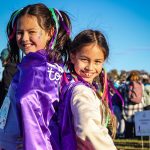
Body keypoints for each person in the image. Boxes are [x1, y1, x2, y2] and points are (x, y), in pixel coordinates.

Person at [0, 3, 71, 150]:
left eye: (31, 31)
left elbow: (28, 104)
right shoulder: (45, 65)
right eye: (20, 32)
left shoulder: (38, 69)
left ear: (50, 32)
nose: (24, 38)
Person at [57, 29, 117, 149]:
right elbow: (88, 129)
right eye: (84, 59)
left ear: (103, 62)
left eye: (97, 62)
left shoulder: (69, 84)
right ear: (73, 56)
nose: (90, 67)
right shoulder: (81, 91)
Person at [122, 71, 144, 138]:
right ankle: (138, 137)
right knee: (138, 124)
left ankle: (128, 137)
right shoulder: (141, 85)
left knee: (128, 125)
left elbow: (122, 94)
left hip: (128, 108)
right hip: (139, 107)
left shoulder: (125, 85)